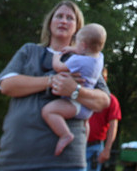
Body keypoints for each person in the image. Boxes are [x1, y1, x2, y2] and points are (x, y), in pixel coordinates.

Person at [0, 0, 111, 171]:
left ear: (78, 29)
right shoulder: (29, 51)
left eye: (70, 18)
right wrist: (50, 80)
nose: (63, 21)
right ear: (49, 23)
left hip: (65, 162)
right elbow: (6, 85)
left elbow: (103, 101)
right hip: (16, 156)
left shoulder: (86, 61)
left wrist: (75, 90)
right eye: (59, 16)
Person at [42, 23, 107, 156]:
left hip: (75, 104)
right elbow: (87, 52)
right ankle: (83, 143)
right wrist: (75, 49)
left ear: (83, 45)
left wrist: (57, 54)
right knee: (85, 125)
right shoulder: (99, 58)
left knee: (48, 111)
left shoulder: (77, 60)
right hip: (88, 107)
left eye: (77, 43)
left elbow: (59, 67)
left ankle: (65, 134)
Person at [86, 69, 121, 171]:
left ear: (104, 79)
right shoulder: (81, 94)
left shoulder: (111, 100)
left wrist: (107, 149)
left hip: (94, 147)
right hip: (77, 144)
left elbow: (113, 126)